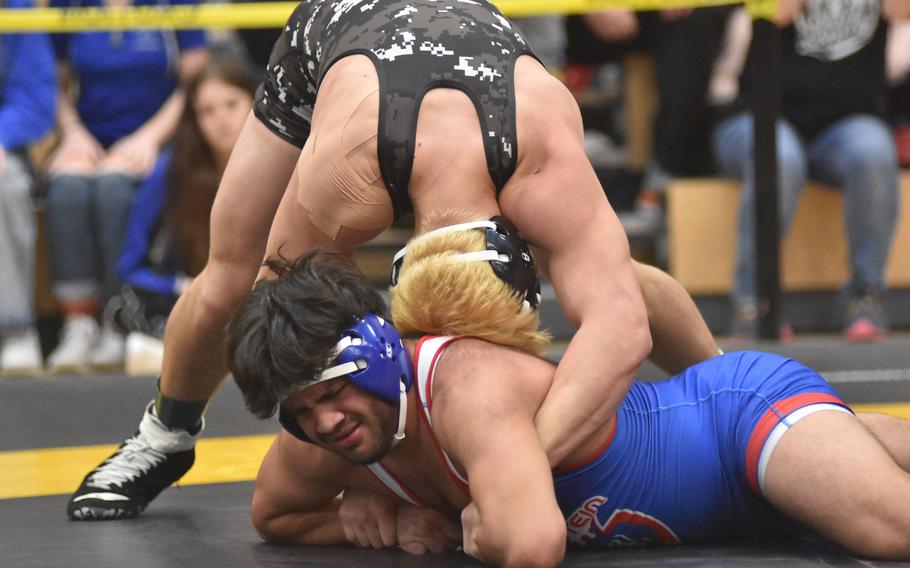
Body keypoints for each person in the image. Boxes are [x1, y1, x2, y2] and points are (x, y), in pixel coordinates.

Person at [67, 0, 720, 520]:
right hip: (333, 39)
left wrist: (514, 466)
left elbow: (622, 323)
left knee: (613, 280)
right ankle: (163, 436)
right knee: (236, 276)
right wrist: (418, 477)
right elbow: (277, 313)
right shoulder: (344, 181)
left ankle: (724, 383)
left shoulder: (541, 147)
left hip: (479, 73)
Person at [226, 249, 910, 565]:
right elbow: (275, 513)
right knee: (852, 456)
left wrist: (466, 518)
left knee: (890, 531)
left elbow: (530, 544)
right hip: (742, 498)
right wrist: (366, 514)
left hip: (736, 423)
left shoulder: (464, 386)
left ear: (378, 352)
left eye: (334, 390)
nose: (324, 422)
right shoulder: (324, 431)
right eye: (300, 412)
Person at [711, 0, 906, 342]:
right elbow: (778, 12)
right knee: (780, 158)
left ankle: (864, 298)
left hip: (843, 124)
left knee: (874, 151)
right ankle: (754, 303)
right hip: (759, 116)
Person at [43, 0, 208, 373]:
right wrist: (72, 136)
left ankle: (116, 318)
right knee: (66, 187)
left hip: (158, 137)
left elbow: (197, 82)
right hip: (87, 138)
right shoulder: (67, 5)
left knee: (113, 188)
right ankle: (77, 324)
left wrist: (148, 140)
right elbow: (53, 81)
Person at [112, 57, 256, 373]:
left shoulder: (284, 166)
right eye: (207, 111)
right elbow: (130, 267)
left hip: (258, 301)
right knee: (134, 307)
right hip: (191, 300)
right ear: (194, 119)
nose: (221, 120)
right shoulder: (169, 171)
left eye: (231, 104)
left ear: (255, 103)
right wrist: (180, 288)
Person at [0, 0, 57, 375]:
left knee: (7, 185)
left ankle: (15, 330)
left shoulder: (16, 10)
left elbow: (34, 102)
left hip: (4, 150)